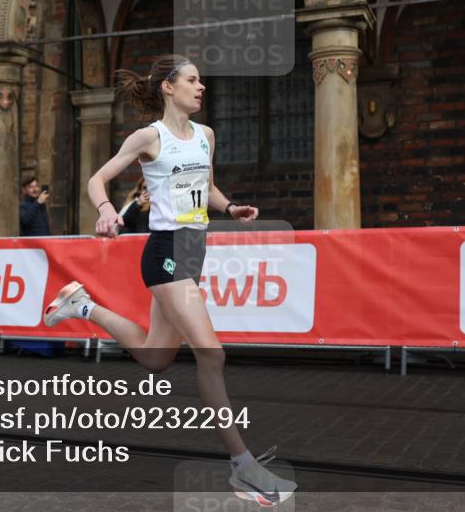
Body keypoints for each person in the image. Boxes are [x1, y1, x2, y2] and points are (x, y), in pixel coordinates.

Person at [41, 54, 296, 506]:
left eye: (201, 81)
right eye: (192, 80)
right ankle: (243, 467)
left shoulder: (206, 135)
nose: (201, 87)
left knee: (156, 358)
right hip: (166, 251)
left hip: (194, 251)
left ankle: (82, 306)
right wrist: (106, 211)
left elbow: (207, 188)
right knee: (212, 354)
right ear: (168, 87)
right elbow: (97, 180)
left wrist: (230, 207)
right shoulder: (149, 137)